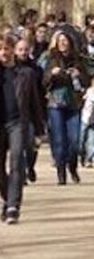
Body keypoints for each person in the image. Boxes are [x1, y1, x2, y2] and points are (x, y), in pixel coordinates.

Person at [0, 35, 46, 224]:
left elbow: (35, 103)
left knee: (16, 163)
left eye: (7, 49)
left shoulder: (26, 74)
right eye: (0, 49)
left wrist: (39, 129)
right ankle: (7, 199)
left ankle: (13, 206)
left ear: (13, 50)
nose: (4, 53)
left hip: (17, 123)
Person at [42, 30, 90, 185]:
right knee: (59, 140)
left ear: (70, 42)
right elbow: (43, 82)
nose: (63, 43)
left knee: (74, 140)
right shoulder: (51, 59)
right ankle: (61, 172)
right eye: (60, 40)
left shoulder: (78, 59)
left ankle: (73, 166)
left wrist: (78, 75)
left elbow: (86, 81)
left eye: (65, 40)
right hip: (55, 103)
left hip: (73, 104)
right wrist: (52, 74)